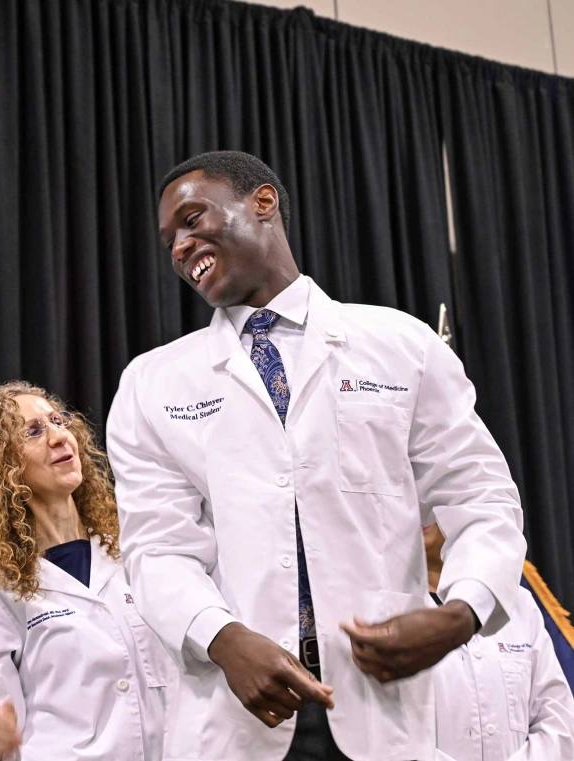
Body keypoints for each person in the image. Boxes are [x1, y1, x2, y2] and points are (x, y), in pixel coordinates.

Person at [106, 150, 526, 761]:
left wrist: (461, 612)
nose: (178, 247)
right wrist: (222, 639)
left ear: (264, 203)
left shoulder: (399, 344)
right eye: (169, 238)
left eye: (193, 220)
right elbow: (157, 547)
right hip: (235, 710)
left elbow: (480, 497)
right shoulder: (154, 382)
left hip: (382, 708)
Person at [0, 381, 174, 761]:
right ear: (6, 468)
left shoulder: (139, 551)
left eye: (58, 421)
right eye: (33, 431)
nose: (58, 437)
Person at [424, 524, 574, 760]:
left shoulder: (518, 602)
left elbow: (559, 720)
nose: (423, 509)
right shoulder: (382, 609)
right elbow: (388, 735)